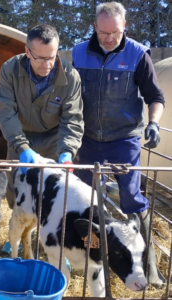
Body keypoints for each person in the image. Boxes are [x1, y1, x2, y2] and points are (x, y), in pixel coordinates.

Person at [72, 2, 165, 288]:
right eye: (103, 32)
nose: (109, 38)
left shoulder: (138, 54)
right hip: (87, 139)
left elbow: (155, 96)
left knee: (132, 198)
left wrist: (153, 123)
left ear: (125, 26)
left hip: (124, 139)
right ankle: (84, 256)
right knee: (81, 197)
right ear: (95, 28)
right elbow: (68, 95)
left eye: (114, 32)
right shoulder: (78, 53)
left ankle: (149, 267)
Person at [0, 24, 84, 210]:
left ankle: (43, 233)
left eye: (52, 57)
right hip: (20, 136)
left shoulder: (71, 76)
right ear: (27, 51)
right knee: (16, 190)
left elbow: (72, 118)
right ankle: (18, 232)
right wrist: (21, 147)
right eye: (40, 58)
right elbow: (6, 112)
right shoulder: (9, 70)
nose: (47, 65)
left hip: (53, 140)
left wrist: (67, 151)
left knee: (49, 193)